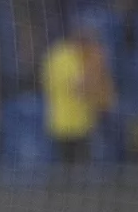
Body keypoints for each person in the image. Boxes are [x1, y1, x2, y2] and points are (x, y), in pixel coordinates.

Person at [43, 28, 114, 163]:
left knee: (81, 170)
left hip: (82, 122)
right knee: (69, 170)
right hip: (64, 123)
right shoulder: (61, 57)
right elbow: (78, 85)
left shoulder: (81, 55)